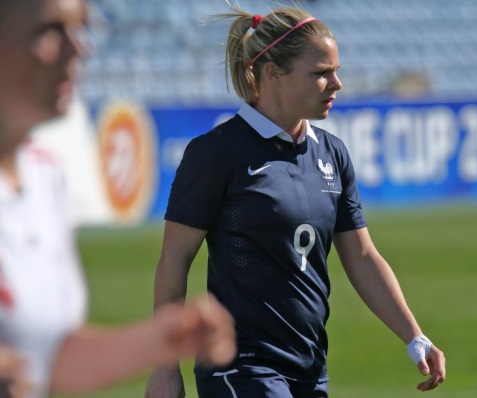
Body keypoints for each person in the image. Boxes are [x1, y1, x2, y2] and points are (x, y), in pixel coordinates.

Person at [145, 4, 446, 398]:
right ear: (273, 74)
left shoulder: (332, 154)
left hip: (309, 368)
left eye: (336, 71)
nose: (336, 84)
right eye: (321, 73)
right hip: (239, 366)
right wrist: (165, 368)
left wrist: (414, 335)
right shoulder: (217, 153)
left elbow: (362, 257)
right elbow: (174, 260)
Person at [0, 0, 237, 397]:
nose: (80, 47)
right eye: (51, 30)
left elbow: (51, 361)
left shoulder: (45, 176)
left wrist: (161, 340)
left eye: (81, 28)